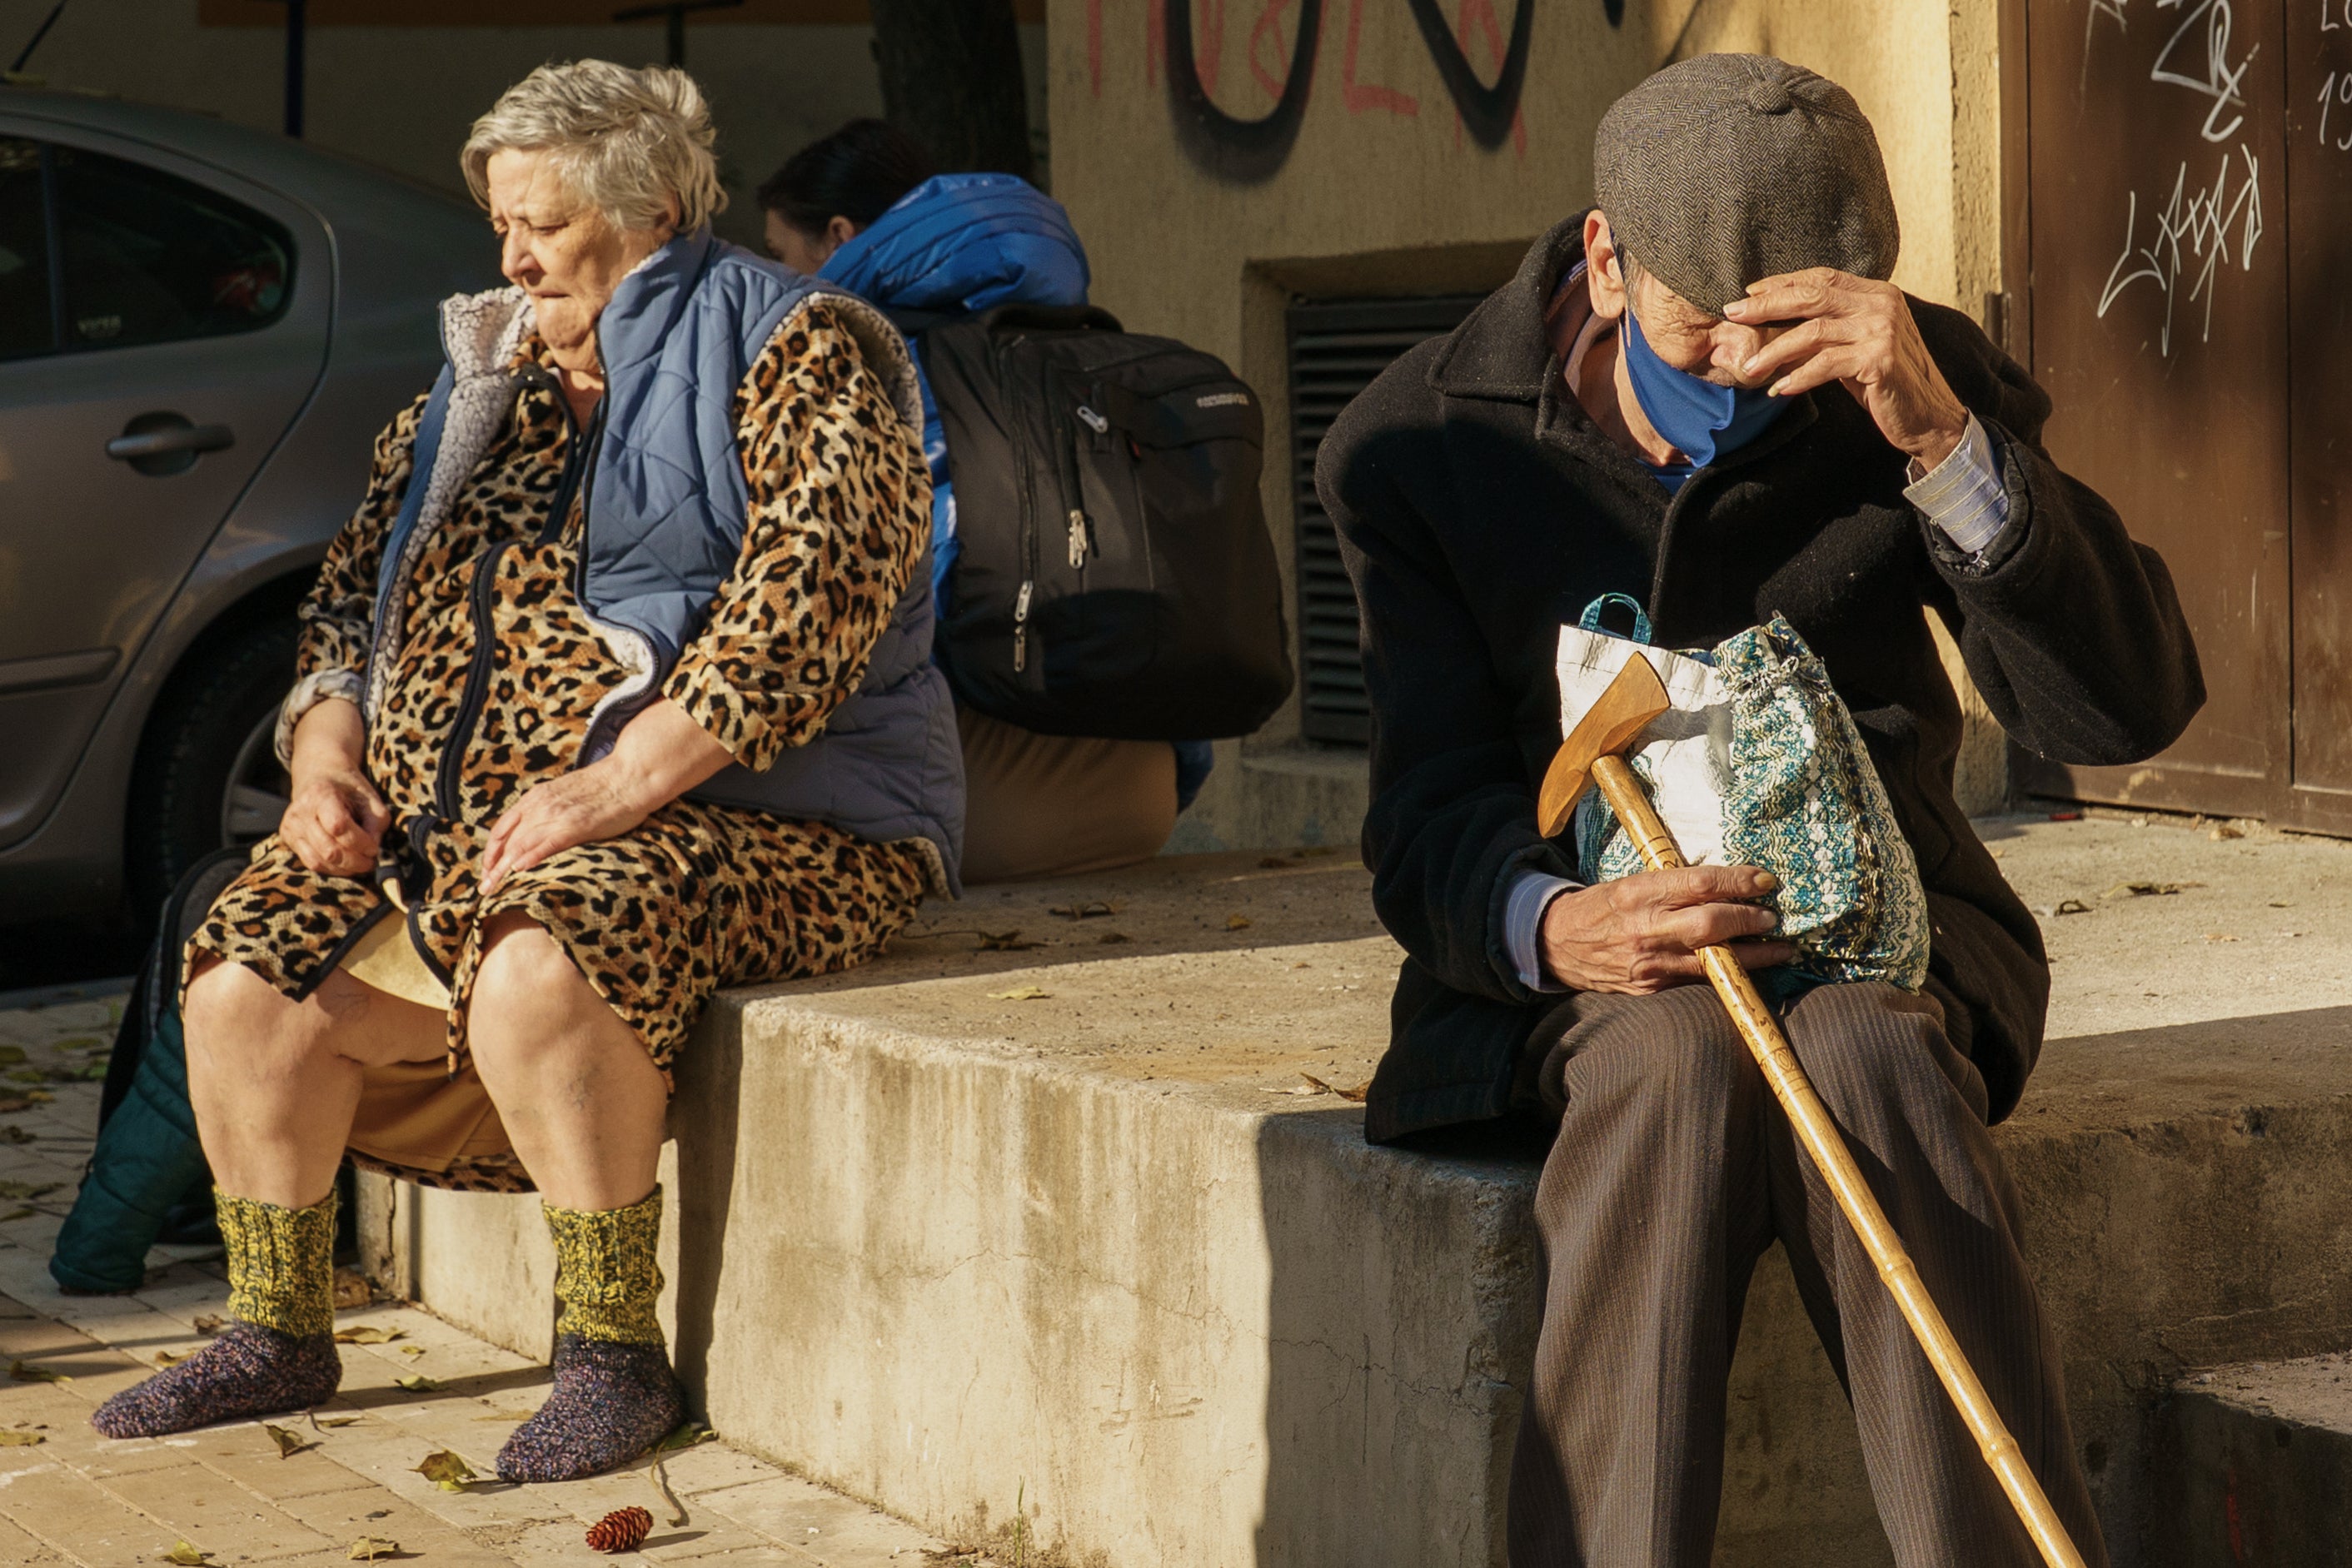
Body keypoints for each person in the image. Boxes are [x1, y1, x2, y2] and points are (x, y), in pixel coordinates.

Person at [1317, 55, 2203, 1567]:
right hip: (1597, 966)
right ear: (1602, 258)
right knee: (1670, 1063)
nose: (1733, 366)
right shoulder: (1419, 444)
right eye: (1693, 324)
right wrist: (1556, 923)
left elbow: (2123, 707)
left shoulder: (1902, 383)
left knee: (1866, 1050)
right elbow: (1424, 813)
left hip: (1872, 929)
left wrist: (1943, 447)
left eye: (1779, 332)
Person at [87, 61, 960, 1483]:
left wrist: (612, 786)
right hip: (477, 826)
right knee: (243, 958)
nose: (507, 255)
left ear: (654, 208)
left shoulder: (800, 345)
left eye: (540, 224)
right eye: (500, 220)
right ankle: (275, 1328)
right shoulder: (482, 381)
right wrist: (326, 758)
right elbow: (347, 602)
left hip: (773, 813)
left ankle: (612, 1354)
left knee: (548, 946)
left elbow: (810, 607)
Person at [759, 120, 1213, 884]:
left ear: (838, 237)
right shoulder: (1074, 349)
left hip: (982, 811)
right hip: (1146, 799)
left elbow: (862, 629)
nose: (776, 279)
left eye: (779, 254)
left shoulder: (875, 372)